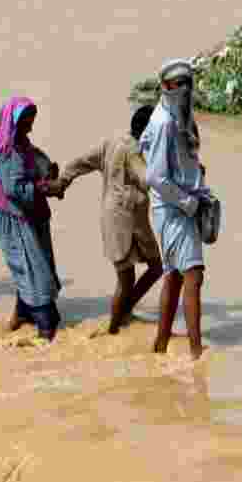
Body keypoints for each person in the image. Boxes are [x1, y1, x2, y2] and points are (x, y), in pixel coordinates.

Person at [51, 104, 164, 334]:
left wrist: (64, 180)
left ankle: (123, 313)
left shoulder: (112, 142)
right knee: (132, 277)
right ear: (149, 131)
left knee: (148, 270)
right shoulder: (134, 153)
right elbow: (148, 180)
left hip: (115, 217)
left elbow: (82, 161)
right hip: (127, 220)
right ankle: (113, 329)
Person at [139, 59, 211, 359]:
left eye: (186, 83)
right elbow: (154, 176)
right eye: (177, 84)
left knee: (175, 276)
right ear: (167, 87)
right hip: (174, 209)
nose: (183, 89)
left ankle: (161, 344)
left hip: (177, 205)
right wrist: (188, 201)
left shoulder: (177, 116)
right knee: (193, 274)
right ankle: (196, 352)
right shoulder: (163, 122)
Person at [0, 97, 65, 341]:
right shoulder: (7, 150)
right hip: (15, 216)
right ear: (14, 122)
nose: (30, 127)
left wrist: (48, 172)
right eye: (26, 122)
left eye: (32, 121)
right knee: (33, 269)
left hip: (30, 213)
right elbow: (13, 188)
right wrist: (43, 188)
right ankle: (44, 328)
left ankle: (22, 314)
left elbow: (35, 161)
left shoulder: (20, 143)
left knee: (32, 264)